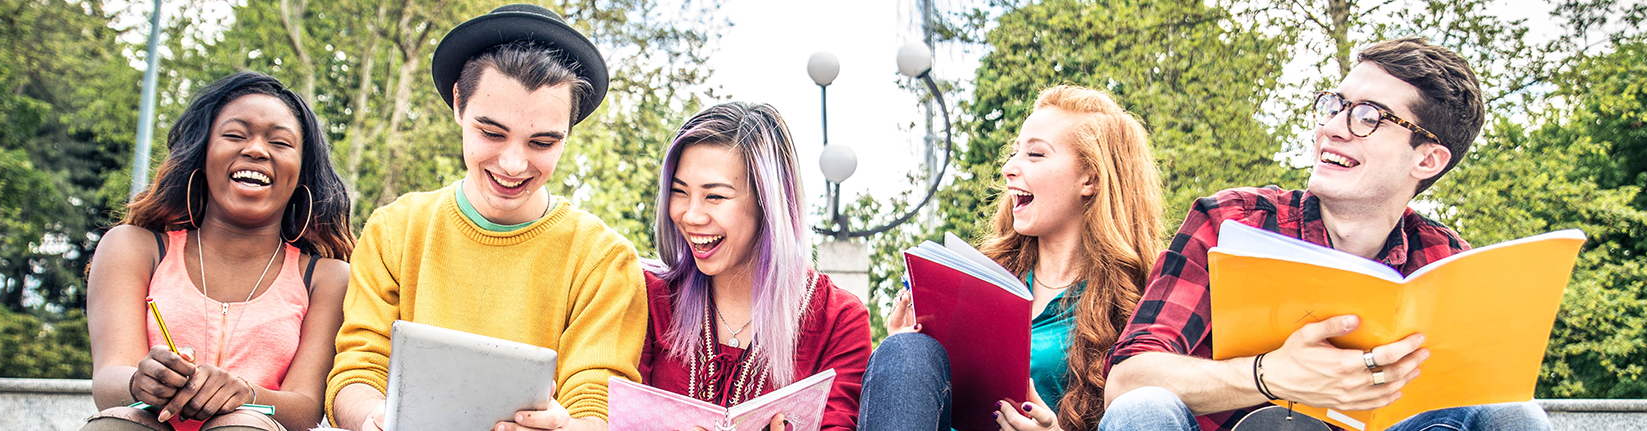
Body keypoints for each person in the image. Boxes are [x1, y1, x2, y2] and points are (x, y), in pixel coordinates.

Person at [1100, 38, 1550, 431]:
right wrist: (1270, 375)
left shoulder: (1445, 259)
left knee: (1514, 413)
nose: (1332, 128)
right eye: (1336, 106)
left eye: (1369, 117)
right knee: (1144, 406)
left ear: (1427, 160)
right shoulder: (1231, 219)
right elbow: (1126, 381)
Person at [324, 4, 645, 431]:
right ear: (458, 102)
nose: (513, 164)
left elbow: (597, 400)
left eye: (543, 142)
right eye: (491, 133)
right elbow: (357, 370)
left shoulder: (605, 260)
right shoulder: (395, 230)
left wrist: (566, 427)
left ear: (568, 131)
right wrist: (375, 418)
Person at [861, 85, 1169, 431]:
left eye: (1035, 155)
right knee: (905, 354)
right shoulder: (982, 280)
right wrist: (912, 355)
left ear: (1091, 179)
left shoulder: (1142, 304)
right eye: (1014, 152)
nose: (1008, 168)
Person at [83, 71, 355, 431]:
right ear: (202, 154)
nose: (256, 150)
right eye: (234, 135)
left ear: (302, 172)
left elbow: (305, 408)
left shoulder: (326, 277)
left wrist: (244, 394)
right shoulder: (134, 247)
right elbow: (108, 378)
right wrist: (138, 382)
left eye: (280, 142)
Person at [638, 102, 872, 431]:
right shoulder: (647, 296)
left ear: (768, 203)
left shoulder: (838, 320)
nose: (691, 216)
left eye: (714, 196)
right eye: (679, 192)